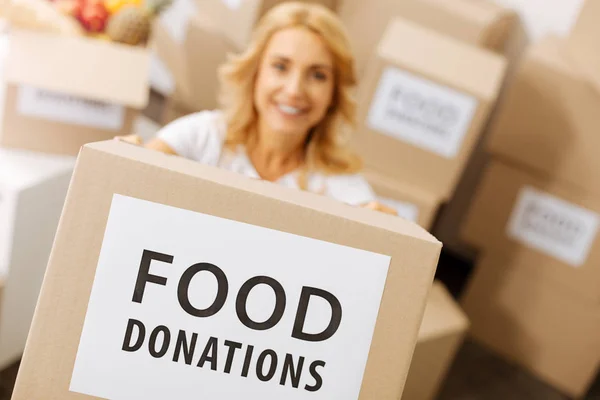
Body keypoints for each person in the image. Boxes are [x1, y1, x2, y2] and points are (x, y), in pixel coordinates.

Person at [118, 1, 396, 215]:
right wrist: (126, 159)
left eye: (317, 75)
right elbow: (133, 176)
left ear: (334, 95)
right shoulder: (204, 135)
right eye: (280, 67)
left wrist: (384, 231)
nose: (294, 90)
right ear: (255, 73)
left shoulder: (340, 186)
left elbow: (371, 227)